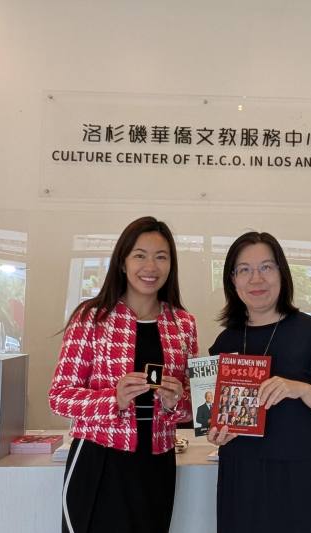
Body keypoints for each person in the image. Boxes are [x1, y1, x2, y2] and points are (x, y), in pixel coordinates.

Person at [48, 216, 198, 533]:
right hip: (99, 458)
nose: (150, 267)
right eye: (140, 255)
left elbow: (194, 406)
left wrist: (175, 402)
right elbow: (59, 397)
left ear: (171, 265)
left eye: (161, 257)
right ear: (122, 262)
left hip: (156, 461)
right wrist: (113, 399)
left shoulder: (183, 324)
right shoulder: (92, 317)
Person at [207, 231, 311, 533]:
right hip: (240, 477)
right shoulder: (226, 341)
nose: (256, 279)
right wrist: (216, 432)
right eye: (244, 270)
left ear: (281, 273)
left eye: (266, 267)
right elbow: (215, 414)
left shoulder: (310, 333)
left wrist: (300, 389)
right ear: (232, 280)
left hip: (297, 477)